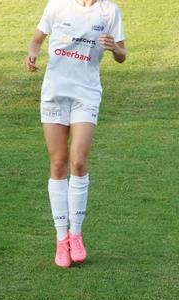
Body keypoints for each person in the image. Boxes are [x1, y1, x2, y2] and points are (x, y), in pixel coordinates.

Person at [26, 0, 127, 269]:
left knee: (78, 162)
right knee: (58, 163)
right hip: (54, 95)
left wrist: (114, 48)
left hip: (86, 94)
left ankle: (76, 233)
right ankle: (61, 240)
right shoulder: (57, 6)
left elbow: (122, 55)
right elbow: (36, 39)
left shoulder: (109, 11)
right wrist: (32, 55)